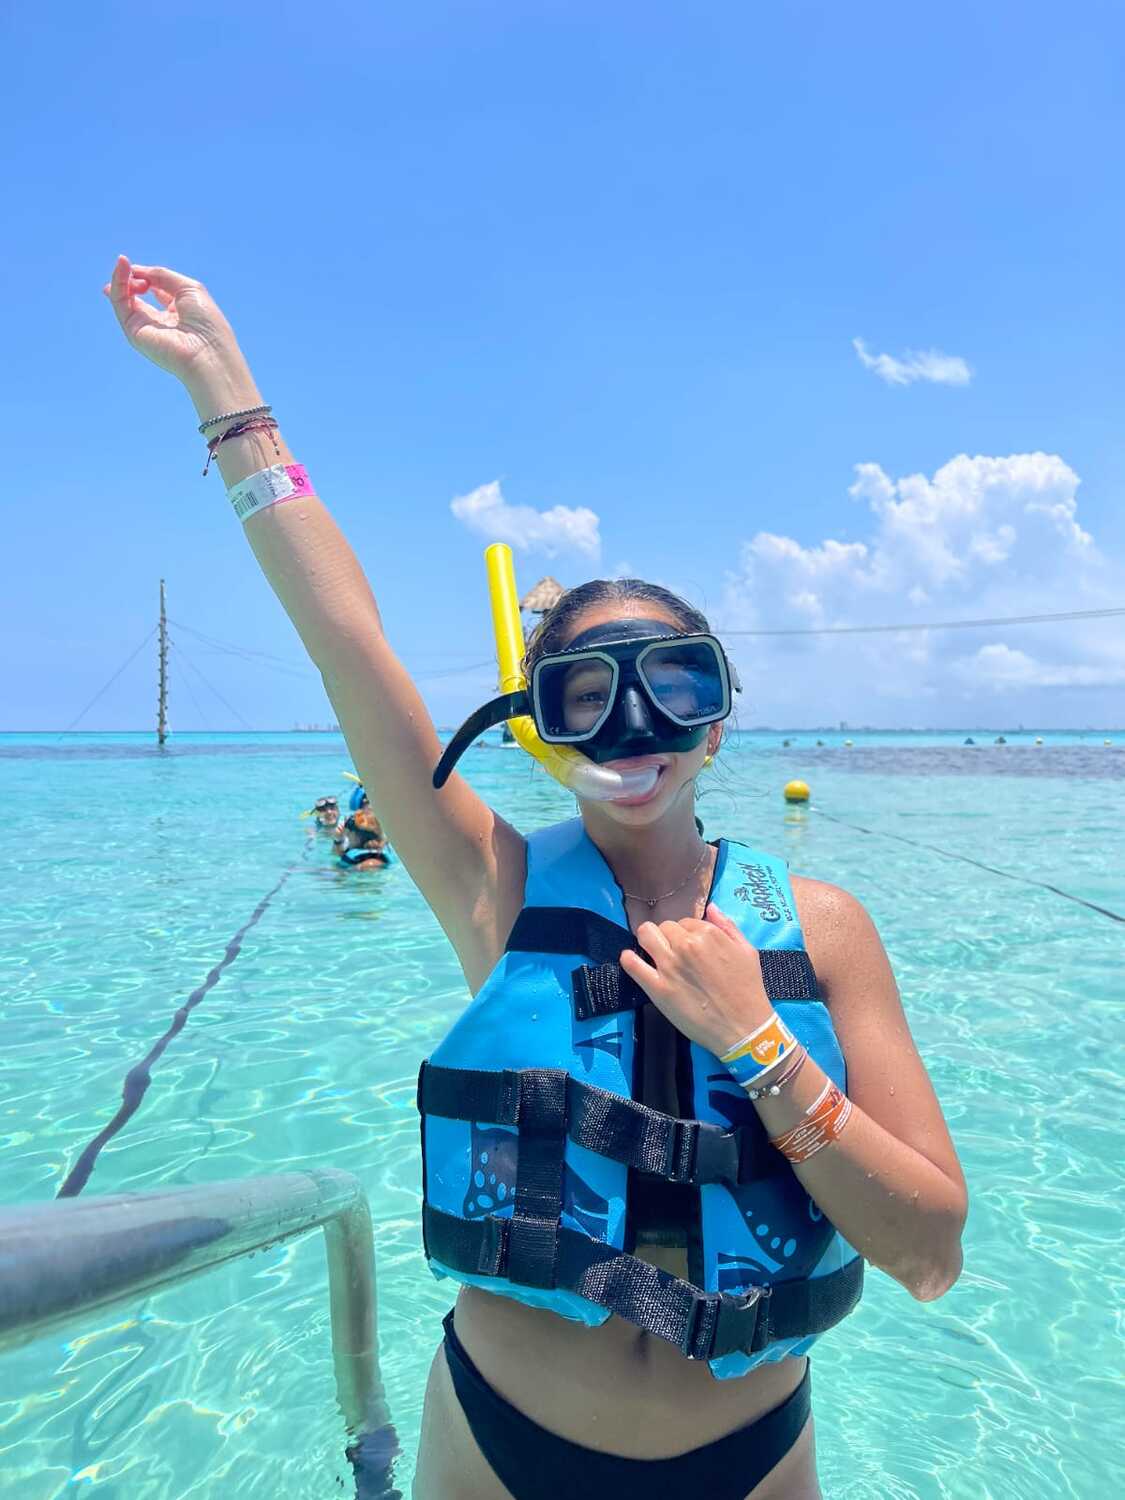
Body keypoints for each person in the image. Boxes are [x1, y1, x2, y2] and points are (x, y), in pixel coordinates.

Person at [105, 256, 968, 1500]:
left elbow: (931, 1254)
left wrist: (760, 1045)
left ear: (718, 722)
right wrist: (226, 394)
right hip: (503, 1447)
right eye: (585, 698)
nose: (635, 731)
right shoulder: (494, 886)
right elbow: (347, 641)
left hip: (756, 1458)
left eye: (675, 689)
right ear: (542, 731)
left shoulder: (824, 934)